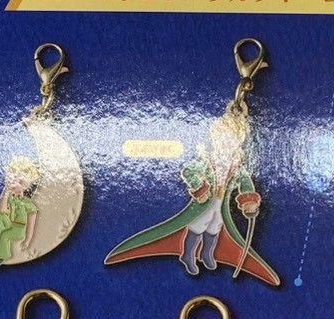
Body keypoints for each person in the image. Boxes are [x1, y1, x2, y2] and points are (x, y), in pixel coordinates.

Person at [104, 109, 279, 286]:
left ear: (238, 144)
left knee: (215, 227)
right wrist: (199, 187)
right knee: (198, 225)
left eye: (232, 141)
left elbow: (245, 183)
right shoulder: (206, 160)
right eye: (223, 139)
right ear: (215, 138)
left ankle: (207, 254)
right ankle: (188, 255)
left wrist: (249, 201)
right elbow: (189, 171)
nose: (227, 144)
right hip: (204, 202)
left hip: (221, 204)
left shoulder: (237, 167)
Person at [0, 156, 41, 267]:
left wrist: (27, 240)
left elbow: (31, 223)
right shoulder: (11, 198)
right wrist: (5, 192)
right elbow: (1, 210)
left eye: (21, 182)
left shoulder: (27, 204)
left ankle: (2, 256)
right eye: (13, 178)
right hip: (9, 224)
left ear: (27, 187)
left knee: (5, 235)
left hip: (19, 229)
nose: (15, 183)